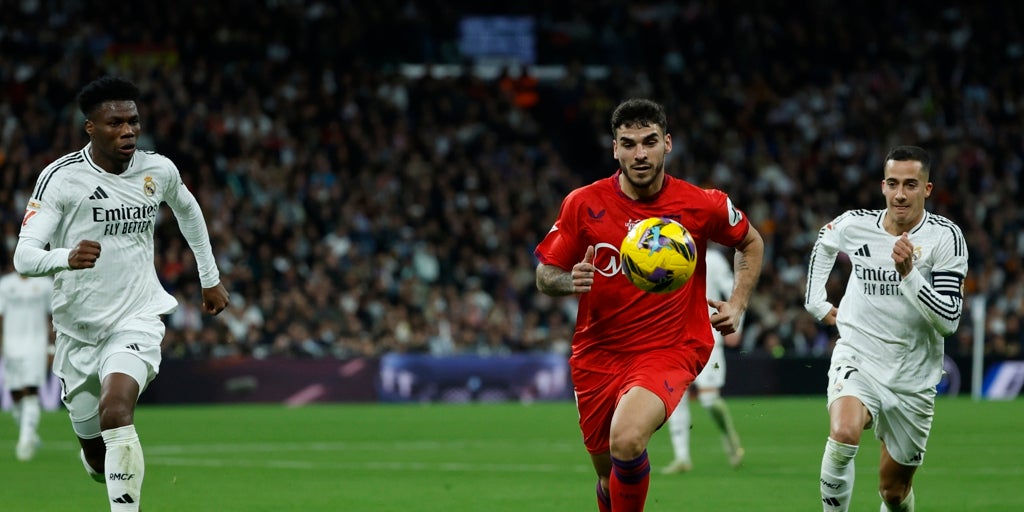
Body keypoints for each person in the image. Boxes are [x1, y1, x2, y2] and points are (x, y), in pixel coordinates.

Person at [534, 98, 764, 512]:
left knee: (626, 439)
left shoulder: (702, 204)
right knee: (607, 474)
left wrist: (738, 302)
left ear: (667, 144)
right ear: (615, 149)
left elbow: (750, 241)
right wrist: (570, 281)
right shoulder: (582, 203)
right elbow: (545, 274)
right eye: (629, 143)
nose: (640, 153)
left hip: (671, 346)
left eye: (649, 141)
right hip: (597, 353)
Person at [13, 76, 230, 512]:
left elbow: (189, 211)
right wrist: (65, 257)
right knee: (97, 458)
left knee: (117, 411)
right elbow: (24, 257)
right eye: (115, 123)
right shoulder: (61, 179)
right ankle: (100, 462)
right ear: (90, 127)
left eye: (133, 121)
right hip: (77, 330)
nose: (128, 131)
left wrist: (210, 276)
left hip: (136, 317)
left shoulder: (158, 170)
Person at [804, 145, 967, 512]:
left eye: (910, 184)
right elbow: (825, 240)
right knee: (843, 433)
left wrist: (909, 274)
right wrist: (815, 303)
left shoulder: (945, 238)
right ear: (882, 186)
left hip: (914, 374)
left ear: (927, 189)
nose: (900, 194)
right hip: (859, 355)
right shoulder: (856, 224)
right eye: (892, 183)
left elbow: (949, 321)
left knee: (892, 492)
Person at [661, 246, 744, 474]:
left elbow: (733, 290)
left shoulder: (713, 259)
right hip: (674, 338)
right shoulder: (665, 255)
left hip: (707, 337)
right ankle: (682, 457)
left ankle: (728, 435)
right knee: (675, 398)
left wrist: (736, 322)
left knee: (709, 400)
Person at [0, 269, 54, 461]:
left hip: (36, 344)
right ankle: (30, 433)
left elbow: (52, 317)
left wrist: (51, 347)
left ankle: (24, 443)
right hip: (12, 346)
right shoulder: (5, 285)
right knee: (15, 393)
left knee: (31, 391)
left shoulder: (45, 284)